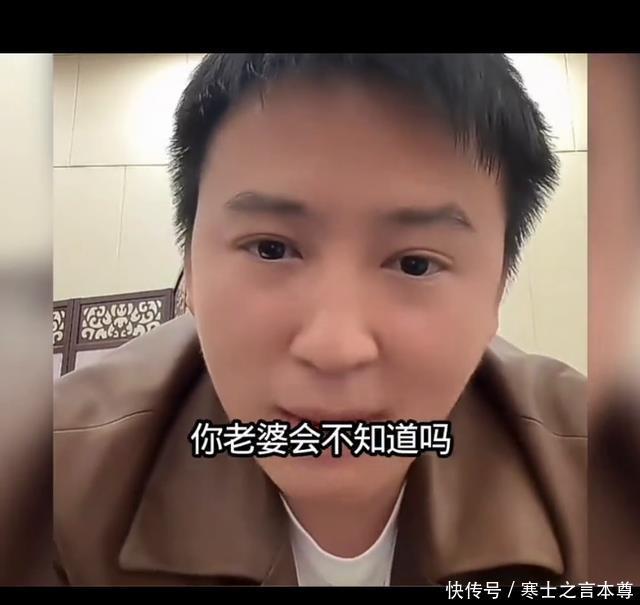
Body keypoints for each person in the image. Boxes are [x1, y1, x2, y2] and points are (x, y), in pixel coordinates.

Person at [53, 54, 586, 586]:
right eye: (271, 249)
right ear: (190, 271)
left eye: (415, 264)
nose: (335, 348)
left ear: (497, 292)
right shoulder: (55, 479)